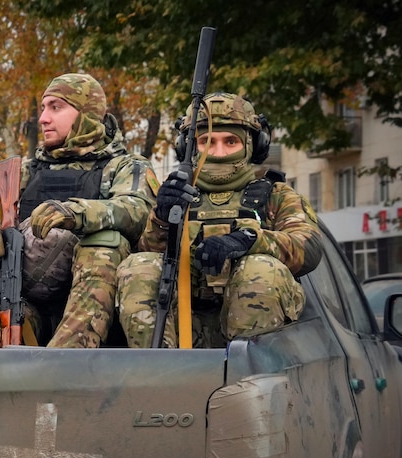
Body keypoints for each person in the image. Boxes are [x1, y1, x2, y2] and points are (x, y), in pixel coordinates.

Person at [0, 73, 156, 348]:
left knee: (105, 243)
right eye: (43, 108)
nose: (43, 119)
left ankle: (63, 364)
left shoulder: (125, 166)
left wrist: (76, 214)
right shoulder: (24, 172)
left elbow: (136, 210)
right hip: (23, 302)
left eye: (56, 107)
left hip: (96, 306)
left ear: (87, 114)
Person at [116, 92, 323, 348]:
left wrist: (247, 240)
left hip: (256, 343)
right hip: (182, 329)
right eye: (207, 142)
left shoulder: (276, 194)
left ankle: (244, 379)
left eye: (231, 141)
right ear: (189, 148)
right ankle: (157, 378)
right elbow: (148, 255)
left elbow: (308, 246)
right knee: (139, 265)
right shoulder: (176, 194)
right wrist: (162, 217)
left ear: (252, 146)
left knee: (260, 269)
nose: (219, 152)